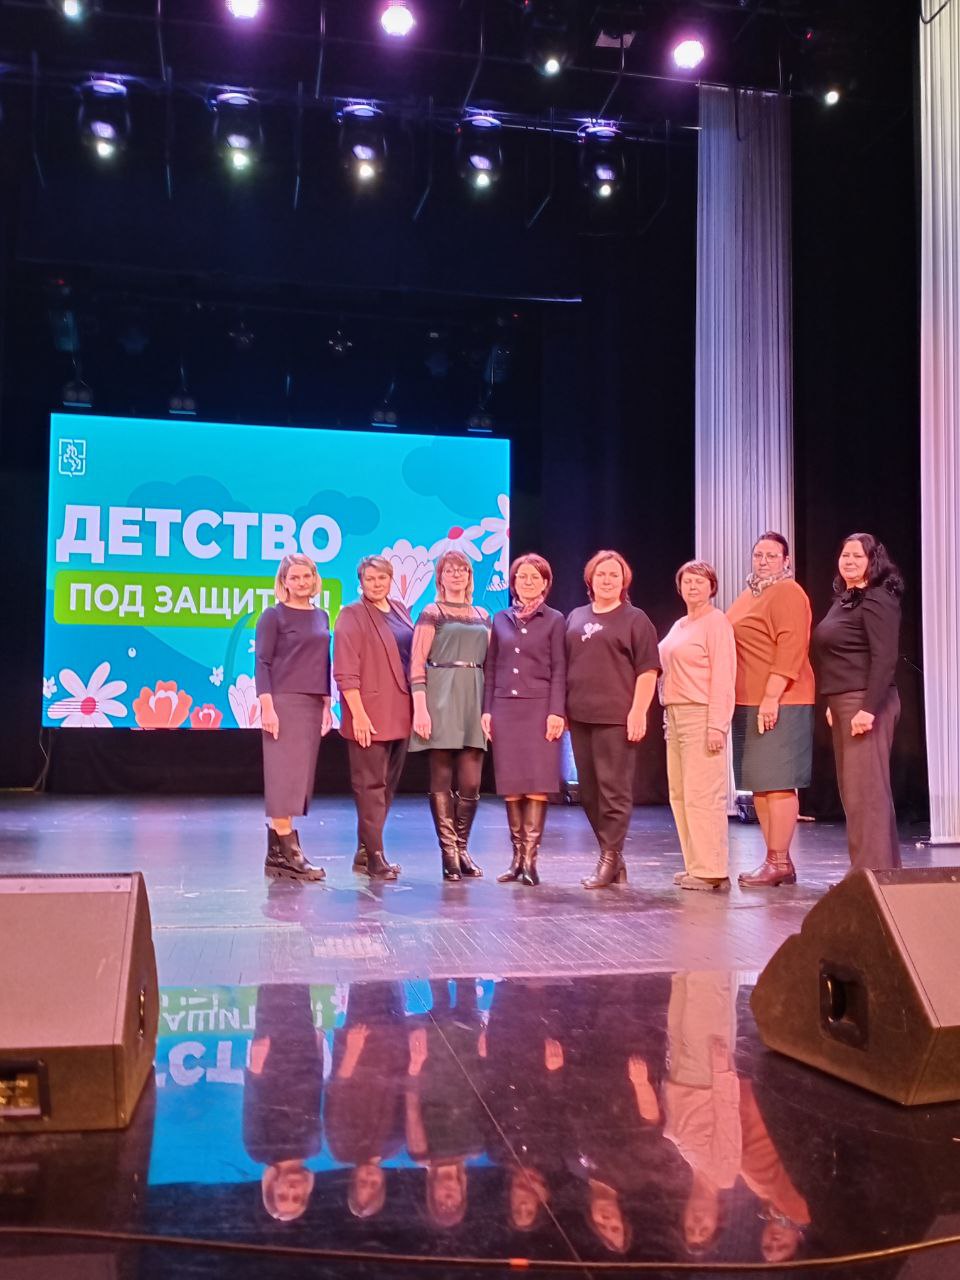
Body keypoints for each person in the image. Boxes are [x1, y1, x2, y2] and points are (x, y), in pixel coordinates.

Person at [565, 550, 660, 889]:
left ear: (624, 581)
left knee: (613, 791)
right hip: (580, 716)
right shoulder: (575, 616)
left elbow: (648, 669)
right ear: (590, 580)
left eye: (614, 575)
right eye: (601, 574)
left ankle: (609, 857)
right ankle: (613, 857)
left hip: (616, 717)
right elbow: (566, 665)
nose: (607, 580)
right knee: (589, 793)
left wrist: (638, 710)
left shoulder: (635, 619)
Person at [811, 533, 904, 871]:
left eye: (857, 556)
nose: (849, 561)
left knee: (866, 794)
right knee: (857, 793)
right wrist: (833, 702)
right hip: (845, 702)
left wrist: (868, 708)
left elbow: (884, 658)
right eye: (845, 555)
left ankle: (871, 875)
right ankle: (879, 872)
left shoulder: (877, 598)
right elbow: (843, 655)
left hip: (865, 704)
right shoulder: (846, 599)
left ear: (872, 561)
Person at [727, 533, 815, 888]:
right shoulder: (750, 593)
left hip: (780, 700)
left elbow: (791, 646)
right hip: (748, 699)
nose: (763, 561)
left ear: (786, 560)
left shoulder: (788, 592)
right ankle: (778, 860)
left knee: (777, 782)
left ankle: (777, 861)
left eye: (772, 556)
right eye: (758, 555)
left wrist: (771, 696)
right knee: (760, 784)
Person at [481, 554, 566, 887]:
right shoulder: (500, 618)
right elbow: (491, 667)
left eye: (534, 577)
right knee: (512, 784)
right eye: (522, 576)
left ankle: (531, 861)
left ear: (545, 582)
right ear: (513, 582)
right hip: (505, 708)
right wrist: (487, 709)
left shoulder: (555, 619)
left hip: (540, 708)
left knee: (537, 782)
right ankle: (516, 860)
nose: (528, 582)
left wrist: (556, 711)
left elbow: (560, 668)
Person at [409, 550, 491, 881]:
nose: (457, 575)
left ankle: (462, 848)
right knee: (441, 778)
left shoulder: (483, 614)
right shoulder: (432, 612)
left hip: (474, 695)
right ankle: (449, 854)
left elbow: (492, 663)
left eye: (462, 570)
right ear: (440, 577)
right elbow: (417, 662)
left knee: (471, 782)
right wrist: (420, 707)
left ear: (470, 577)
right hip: (440, 695)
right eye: (450, 570)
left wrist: (490, 709)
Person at [333, 555, 415, 882]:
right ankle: (376, 857)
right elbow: (345, 670)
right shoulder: (351, 615)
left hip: (400, 710)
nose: (377, 584)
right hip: (369, 712)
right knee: (370, 787)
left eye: (382, 578)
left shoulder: (400, 609)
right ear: (361, 582)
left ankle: (366, 850)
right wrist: (358, 715)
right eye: (370, 579)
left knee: (387, 787)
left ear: (390, 579)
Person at [659, 561, 737, 892]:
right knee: (681, 794)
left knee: (703, 794)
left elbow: (724, 676)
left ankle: (712, 869)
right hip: (675, 713)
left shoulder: (716, 622)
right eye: (687, 581)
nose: (693, 586)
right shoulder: (680, 625)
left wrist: (717, 725)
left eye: (700, 581)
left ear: (711, 587)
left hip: (701, 713)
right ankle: (696, 864)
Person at [255, 552, 332, 881]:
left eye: (306, 576)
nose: (301, 582)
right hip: (284, 701)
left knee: (299, 777)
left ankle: (276, 855)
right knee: (283, 777)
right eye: (295, 577)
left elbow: (323, 662)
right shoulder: (273, 616)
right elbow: (262, 662)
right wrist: (267, 706)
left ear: (315, 579)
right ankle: (290, 852)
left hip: (313, 703)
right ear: (284, 582)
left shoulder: (322, 615)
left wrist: (327, 704)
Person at [243, 984, 323, 1223]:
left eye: (283, 1195)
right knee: (300, 986)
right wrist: (318, 1050)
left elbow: (252, 1107)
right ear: (305, 1192)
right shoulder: (313, 1148)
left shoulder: (259, 1151)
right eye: (296, 1197)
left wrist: (256, 1066)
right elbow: (314, 1096)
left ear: (272, 1187)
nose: (291, 1190)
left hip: (272, 1062)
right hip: (305, 1057)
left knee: (272, 989)